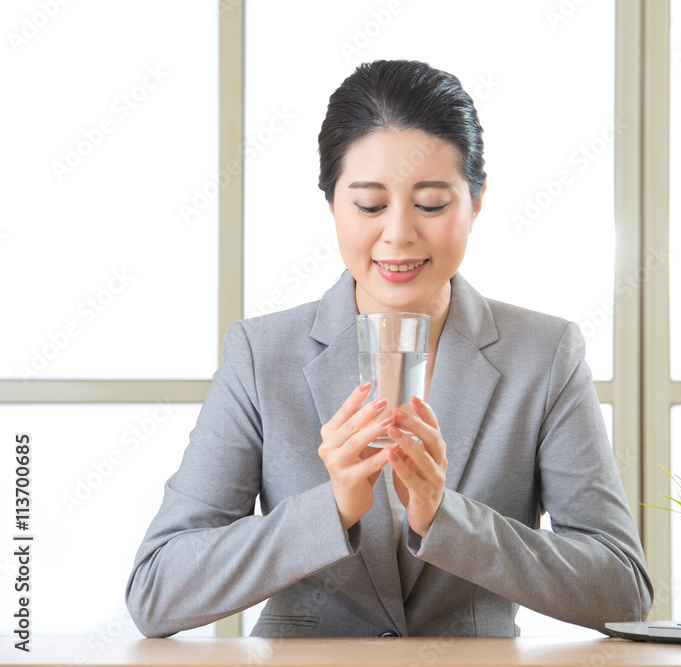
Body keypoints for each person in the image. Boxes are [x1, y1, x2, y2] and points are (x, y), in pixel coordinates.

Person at [125, 59, 653, 638]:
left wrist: (443, 517)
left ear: (476, 202)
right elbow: (156, 592)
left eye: (430, 204)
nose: (398, 234)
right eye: (370, 205)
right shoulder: (259, 355)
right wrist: (332, 510)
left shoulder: (545, 355)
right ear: (332, 206)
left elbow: (622, 591)